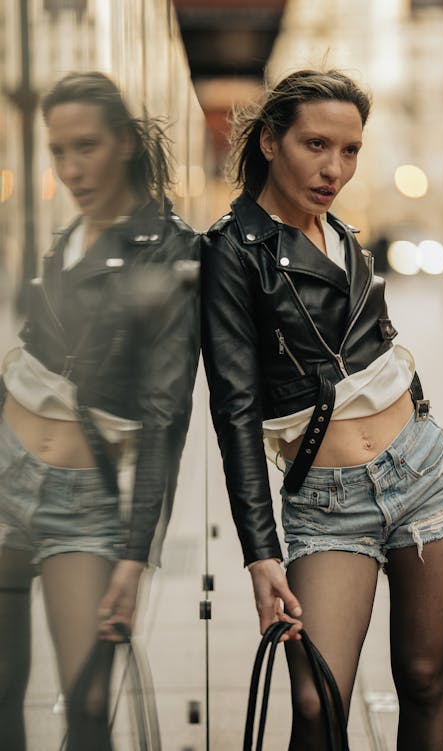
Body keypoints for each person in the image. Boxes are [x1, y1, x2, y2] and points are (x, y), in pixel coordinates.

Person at [201, 69, 443, 751]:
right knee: (318, 701)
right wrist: (261, 554)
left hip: (424, 474)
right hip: (328, 502)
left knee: (424, 676)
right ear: (270, 140)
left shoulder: (346, 234)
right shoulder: (234, 250)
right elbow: (234, 408)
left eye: (350, 150)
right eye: (316, 144)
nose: (335, 168)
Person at [0, 71, 199, 750]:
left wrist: (134, 554)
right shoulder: (67, 240)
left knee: (87, 705)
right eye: (58, 150)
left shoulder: (168, 248)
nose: (71, 167)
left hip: (79, 500)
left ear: (121, 142)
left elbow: (165, 416)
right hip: (4, 475)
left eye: (85, 146)